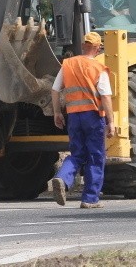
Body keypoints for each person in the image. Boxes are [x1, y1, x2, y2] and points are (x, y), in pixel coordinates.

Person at [50, 32, 116, 209]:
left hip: (73, 116)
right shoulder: (98, 68)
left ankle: (62, 178)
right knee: (96, 156)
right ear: (97, 48)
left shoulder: (68, 64)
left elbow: (55, 90)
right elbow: (106, 96)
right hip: (93, 117)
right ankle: (90, 198)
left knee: (77, 154)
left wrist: (57, 112)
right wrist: (111, 121)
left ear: (82, 46)